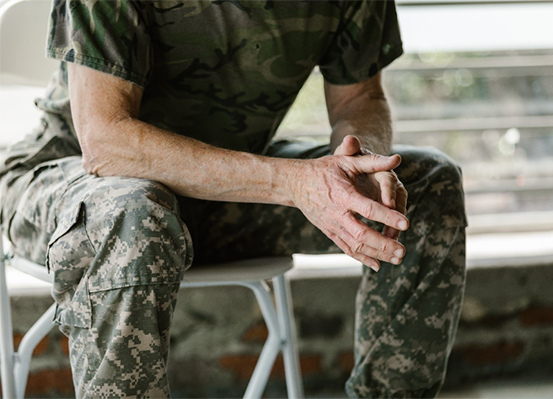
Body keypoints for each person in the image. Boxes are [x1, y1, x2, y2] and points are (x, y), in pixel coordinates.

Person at [0, 0, 467, 397]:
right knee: (132, 212)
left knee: (428, 184)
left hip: (227, 184)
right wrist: (295, 184)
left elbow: (359, 97)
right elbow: (107, 142)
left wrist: (360, 161)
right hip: (74, 176)